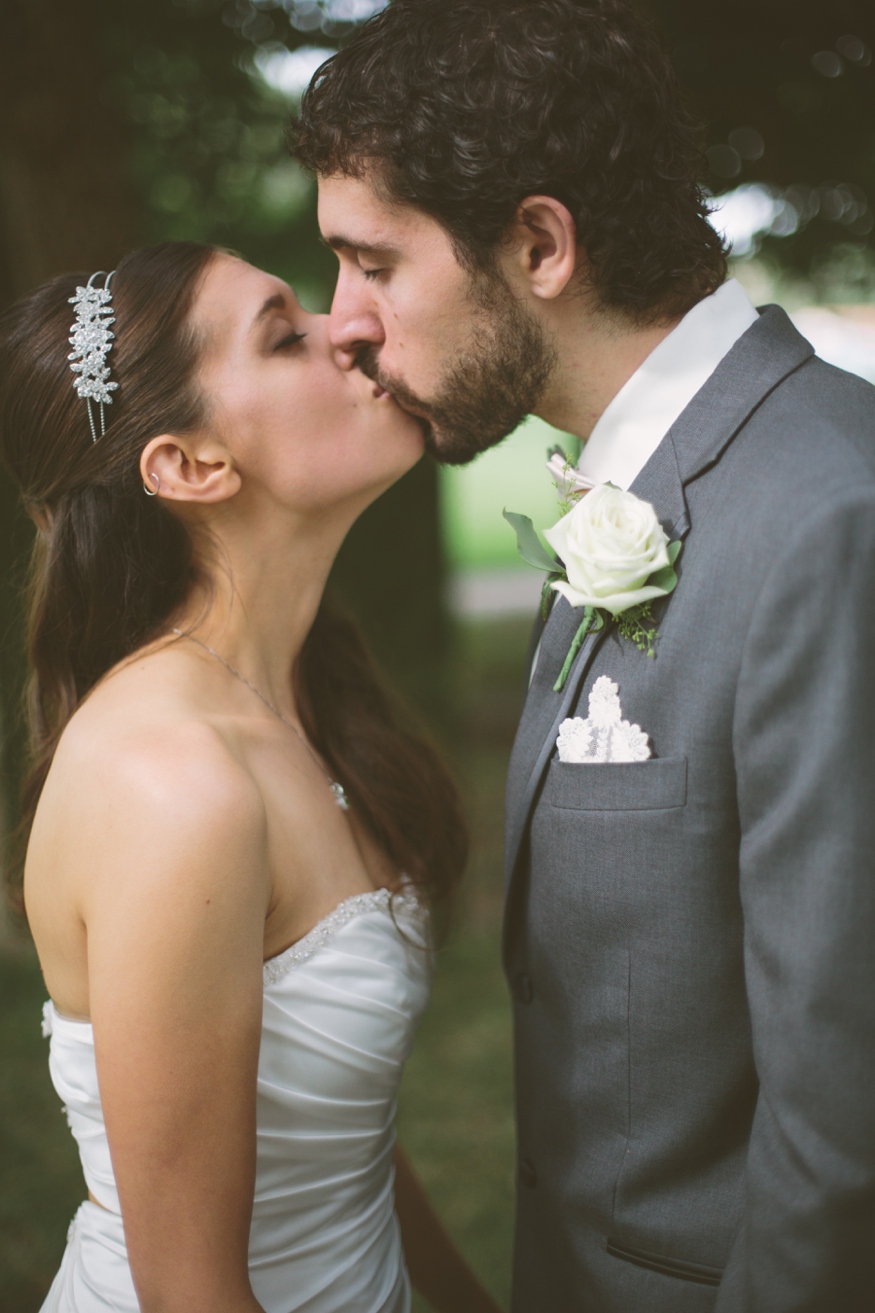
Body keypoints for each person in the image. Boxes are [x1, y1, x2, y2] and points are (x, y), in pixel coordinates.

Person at [290, 1, 875, 1309]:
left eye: (371, 262)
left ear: (539, 243)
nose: (344, 323)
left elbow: (844, 1117)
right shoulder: (640, 487)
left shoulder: (827, 518)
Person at [0, 240, 502, 1313]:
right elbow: (189, 1290)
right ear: (191, 466)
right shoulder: (173, 785)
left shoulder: (308, 698)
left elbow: (337, 1134)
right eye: (286, 335)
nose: (352, 330)